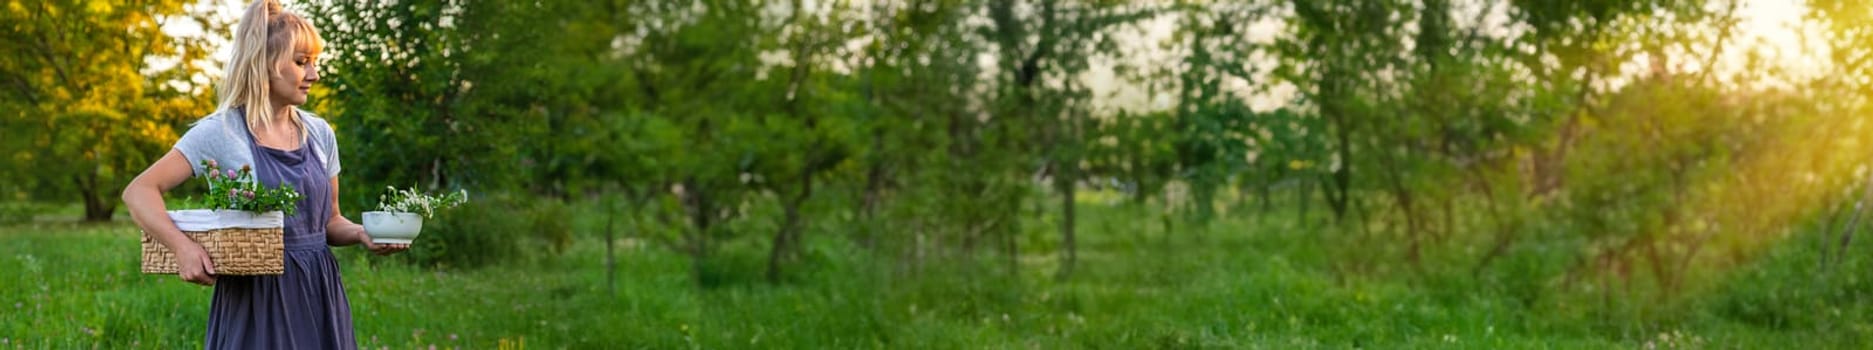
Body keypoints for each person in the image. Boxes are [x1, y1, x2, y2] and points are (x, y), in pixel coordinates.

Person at [121, 1, 404, 348]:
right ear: (265, 64)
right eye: (301, 63)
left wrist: (362, 233)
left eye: (315, 63)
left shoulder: (319, 134)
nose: (313, 74)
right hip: (255, 300)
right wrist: (182, 248)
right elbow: (139, 190)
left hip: (319, 293)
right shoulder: (221, 132)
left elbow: (329, 221)